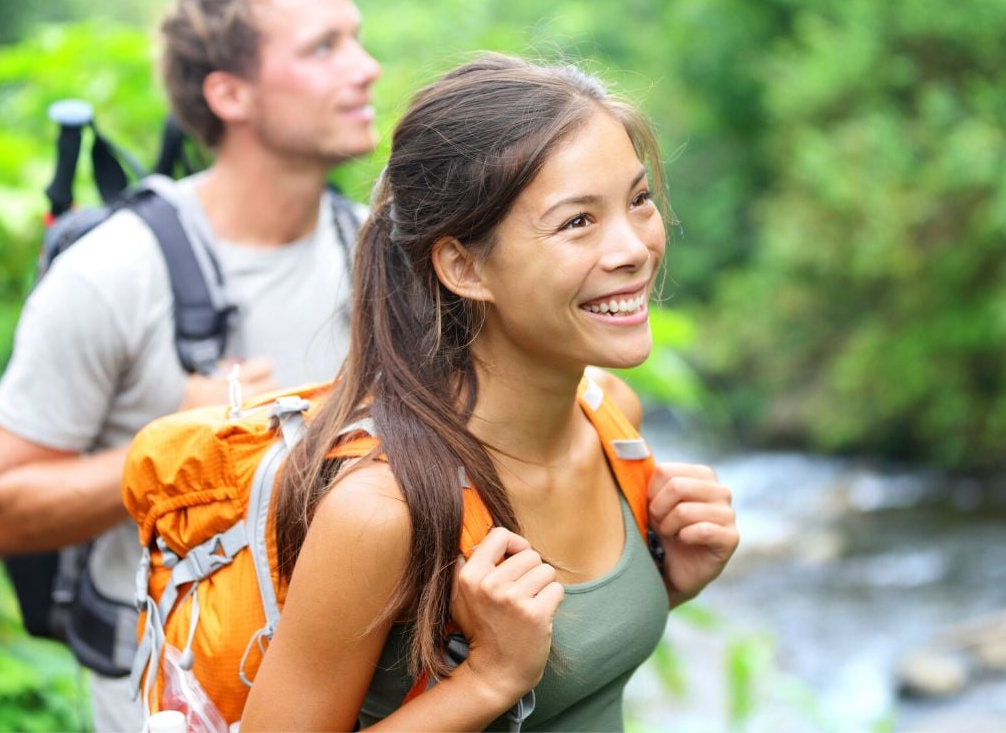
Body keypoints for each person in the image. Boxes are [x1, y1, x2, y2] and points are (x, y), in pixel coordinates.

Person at [240, 54, 739, 732]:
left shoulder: (611, 418)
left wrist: (664, 581)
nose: (634, 248)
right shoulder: (383, 512)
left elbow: (572, 675)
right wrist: (490, 678)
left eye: (639, 199)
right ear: (464, 266)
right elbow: (515, 674)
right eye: (577, 223)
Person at [0, 0, 380, 730]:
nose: (365, 67)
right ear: (230, 94)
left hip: (355, 692)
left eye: (356, 38)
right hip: (169, 702)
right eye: (324, 47)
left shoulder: (379, 255)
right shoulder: (116, 272)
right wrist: (188, 446)